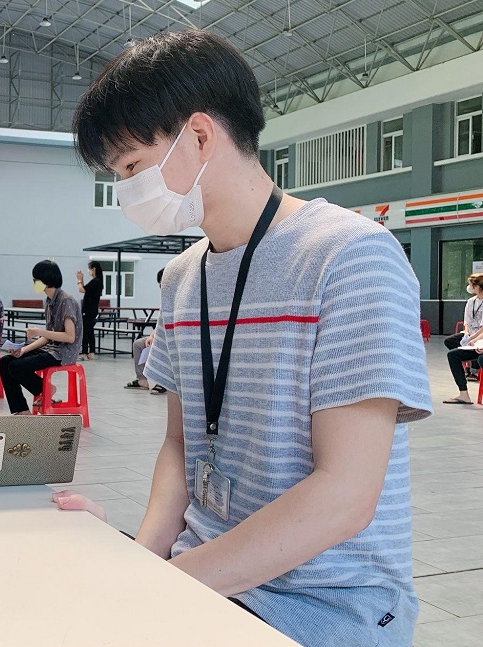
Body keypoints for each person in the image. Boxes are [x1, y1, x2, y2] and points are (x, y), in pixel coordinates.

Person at [73, 30, 431, 647]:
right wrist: (144, 562)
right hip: (205, 575)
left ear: (200, 136)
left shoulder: (350, 257)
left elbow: (345, 495)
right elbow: (181, 447)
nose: (126, 188)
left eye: (131, 166)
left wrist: (162, 587)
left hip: (325, 602)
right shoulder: (182, 277)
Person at [0, 260, 81, 415]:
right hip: (50, 348)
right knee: (5, 362)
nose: (34, 283)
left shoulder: (66, 301)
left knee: (16, 367)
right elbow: (47, 337)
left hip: (64, 352)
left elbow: (70, 337)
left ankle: (46, 389)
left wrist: (39, 332)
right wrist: (23, 350)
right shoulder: (48, 302)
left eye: (36, 279)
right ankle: (21, 410)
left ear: (46, 280)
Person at [443, 274, 483, 404]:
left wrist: (474, 339)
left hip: (479, 338)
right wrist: (467, 334)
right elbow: (467, 322)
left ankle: (473, 367)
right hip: (472, 335)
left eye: (472, 285)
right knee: (451, 346)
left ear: (477, 286)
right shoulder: (471, 302)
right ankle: (464, 392)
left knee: (477, 357)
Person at [126, 268, 167, 393]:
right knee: (139, 344)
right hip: (162, 335)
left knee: (162, 346)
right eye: (160, 284)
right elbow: (161, 322)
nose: (161, 287)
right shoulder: (166, 298)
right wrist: (152, 335)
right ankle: (142, 380)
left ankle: (163, 382)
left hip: (172, 337)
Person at [76, 261, 103, 360]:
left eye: (89, 269)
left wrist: (79, 280)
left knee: (85, 331)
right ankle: (91, 352)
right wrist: (82, 279)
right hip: (93, 309)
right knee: (90, 331)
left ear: (94, 269)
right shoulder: (98, 281)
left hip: (88, 309)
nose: (88, 271)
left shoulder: (95, 281)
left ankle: (84, 353)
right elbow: (85, 289)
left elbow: (81, 289)